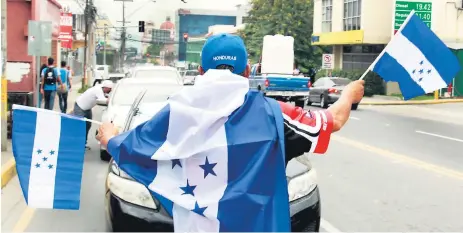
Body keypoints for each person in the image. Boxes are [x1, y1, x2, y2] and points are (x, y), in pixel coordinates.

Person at [96, 34, 364, 231]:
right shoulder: (273, 114)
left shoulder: (174, 114)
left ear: (200, 71)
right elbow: (333, 120)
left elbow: (130, 147)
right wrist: (349, 93)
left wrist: (110, 134)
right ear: (247, 72)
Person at [74, 80, 113, 150]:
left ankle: (83, 143)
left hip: (87, 108)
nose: (110, 90)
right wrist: (110, 100)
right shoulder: (98, 90)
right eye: (110, 89)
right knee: (80, 126)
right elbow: (103, 100)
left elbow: (106, 97)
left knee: (88, 125)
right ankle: (77, 144)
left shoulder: (101, 90)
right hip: (80, 107)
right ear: (105, 87)